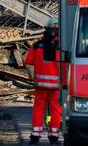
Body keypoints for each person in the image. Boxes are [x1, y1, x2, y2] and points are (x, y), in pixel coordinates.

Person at [25, 17, 62, 145]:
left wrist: (33, 78)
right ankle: (54, 136)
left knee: (38, 108)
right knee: (56, 109)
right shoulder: (62, 47)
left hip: (40, 85)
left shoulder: (36, 46)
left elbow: (28, 63)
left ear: (45, 29)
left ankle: (35, 135)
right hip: (56, 86)